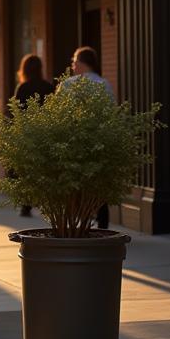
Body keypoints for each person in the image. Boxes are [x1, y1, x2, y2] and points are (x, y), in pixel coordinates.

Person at [60, 46, 114, 228]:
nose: (72, 65)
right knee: (98, 181)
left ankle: (80, 221)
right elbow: (111, 113)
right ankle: (102, 221)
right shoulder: (104, 84)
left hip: (74, 140)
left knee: (76, 183)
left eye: (74, 62)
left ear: (82, 63)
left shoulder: (68, 84)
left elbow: (59, 114)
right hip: (98, 140)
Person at [11, 55, 56, 218]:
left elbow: (16, 113)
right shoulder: (49, 87)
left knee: (27, 170)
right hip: (46, 132)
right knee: (46, 170)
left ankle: (26, 205)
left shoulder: (22, 88)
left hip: (27, 133)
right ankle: (48, 204)